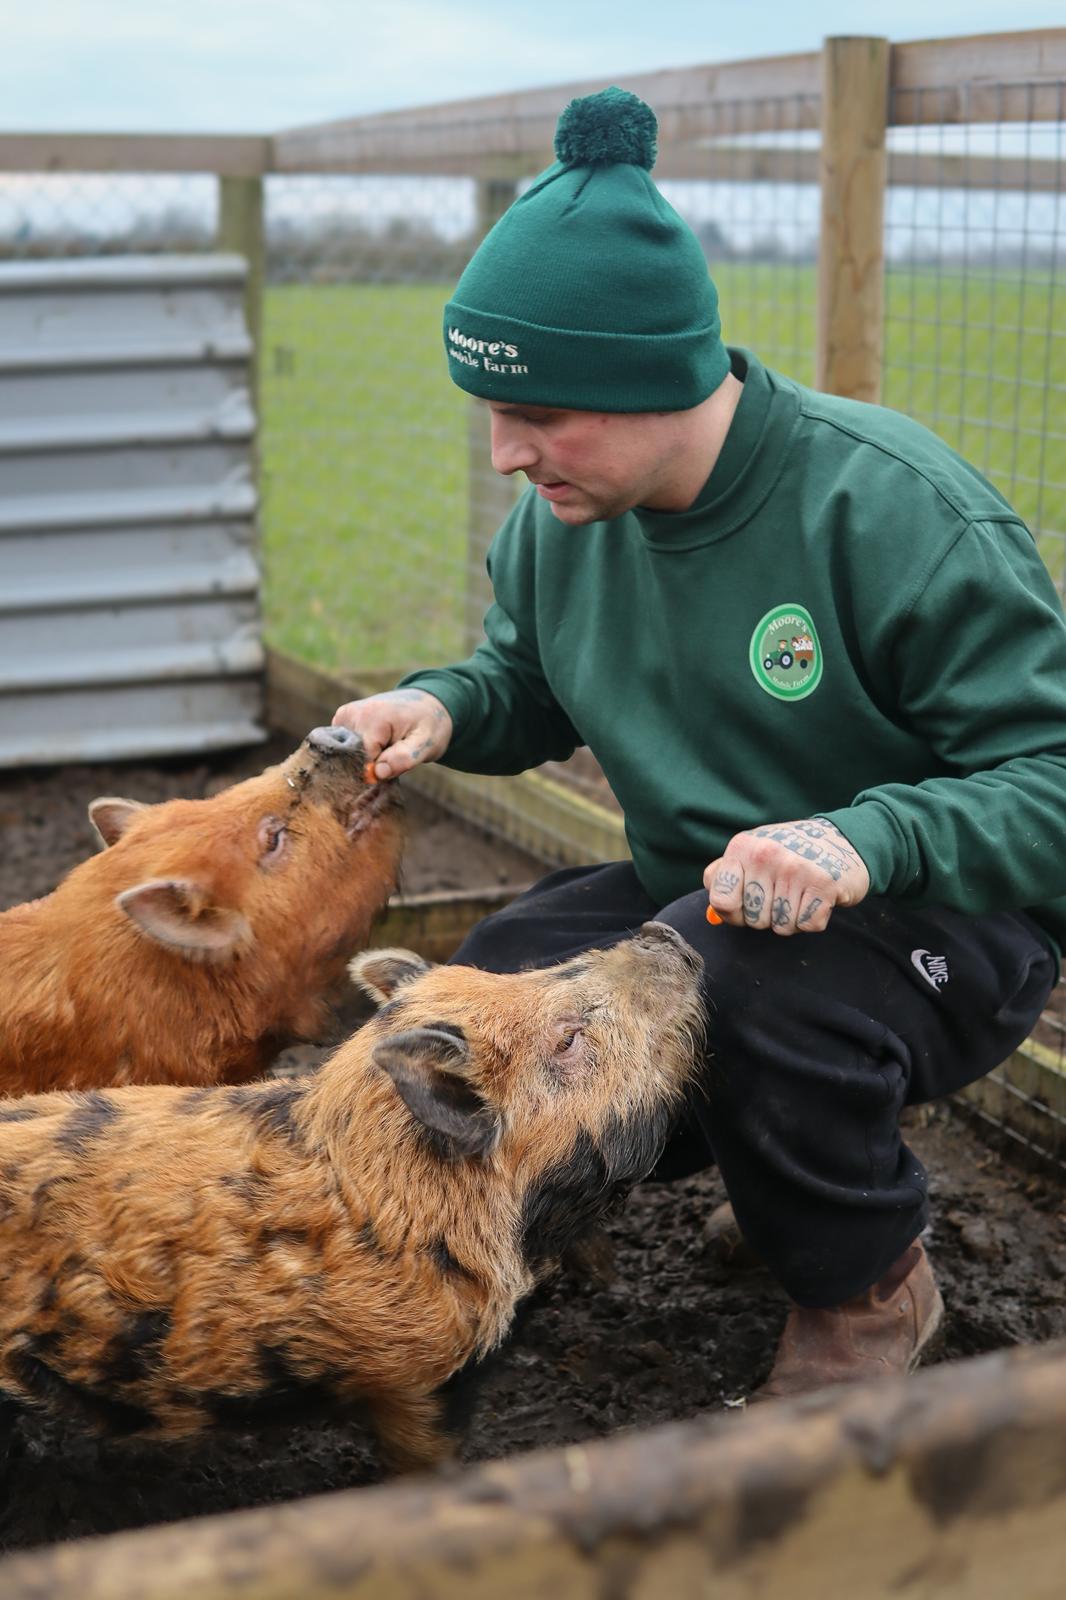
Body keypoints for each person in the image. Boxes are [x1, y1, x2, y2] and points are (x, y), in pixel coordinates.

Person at [334, 87, 1066, 1401]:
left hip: (948, 918)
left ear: (651, 376)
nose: (506, 454)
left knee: (739, 981)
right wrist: (442, 705)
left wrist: (863, 836)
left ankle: (863, 1289)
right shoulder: (563, 523)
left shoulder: (891, 512)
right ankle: (564, 1224)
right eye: (494, 415)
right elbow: (528, 678)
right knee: (499, 980)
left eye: (542, 415)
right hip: (707, 889)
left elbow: (1050, 779)